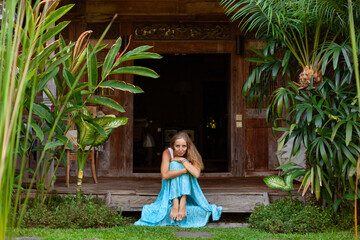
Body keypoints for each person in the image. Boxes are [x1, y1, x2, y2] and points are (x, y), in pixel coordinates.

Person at [134, 131, 222, 227]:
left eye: (183, 146)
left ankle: (183, 202)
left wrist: (183, 160)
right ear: (172, 146)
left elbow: (196, 174)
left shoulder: (191, 153)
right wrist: (186, 170)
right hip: (169, 187)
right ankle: (175, 202)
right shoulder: (167, 153)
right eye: (177, 146)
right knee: (174, 164)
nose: (180, 149)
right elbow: (164, 175)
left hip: (189, 189)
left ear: (188, 146)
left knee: (178, 164)